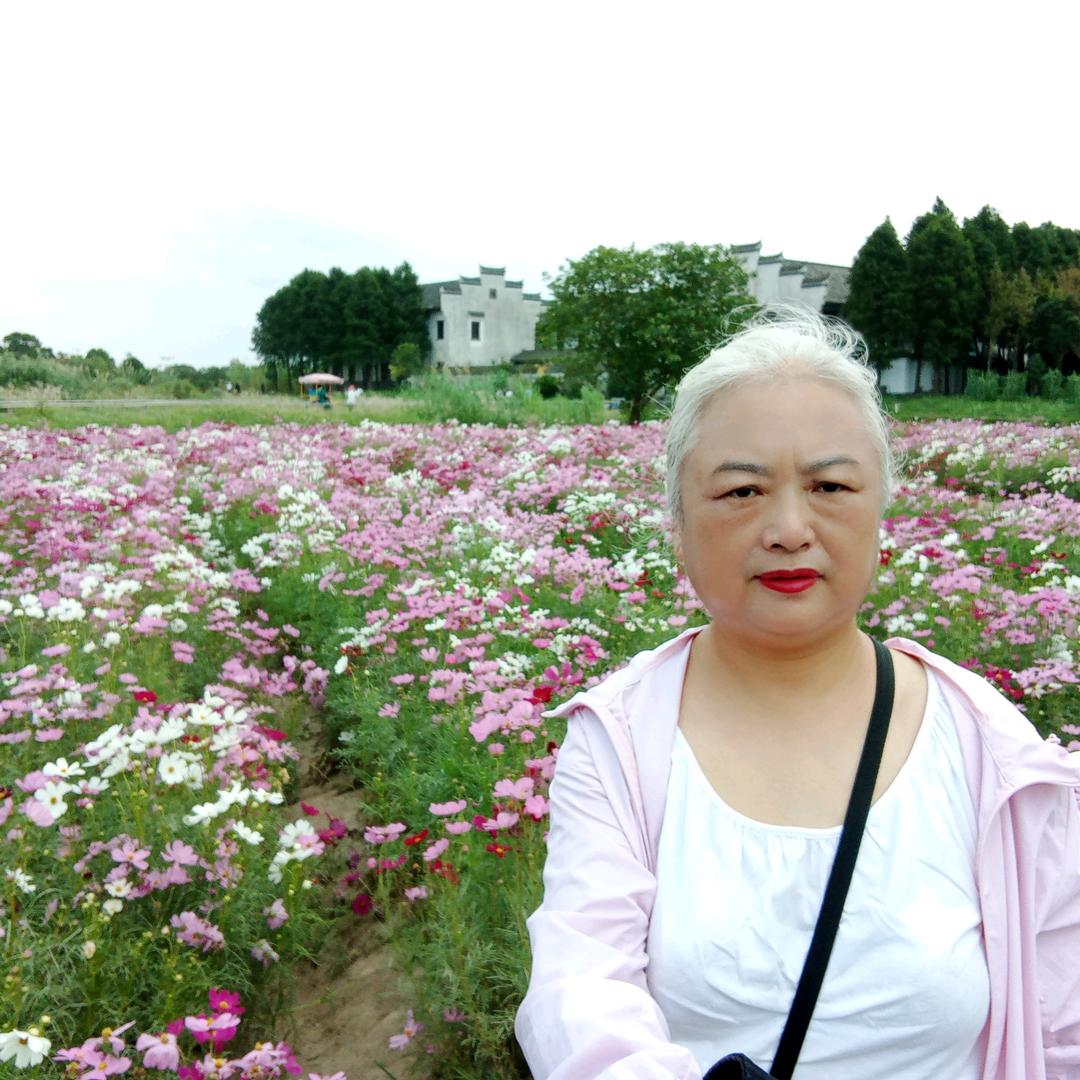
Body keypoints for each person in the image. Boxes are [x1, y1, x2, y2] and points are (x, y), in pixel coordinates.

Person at [515, 306, 1080, 1079]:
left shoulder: (993, 748)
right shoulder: (620, 741)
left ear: (882, 511)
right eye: (742, 492)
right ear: (678, 525)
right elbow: (580, 997)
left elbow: (1061, 1025)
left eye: (830, 485)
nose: (788, 527)